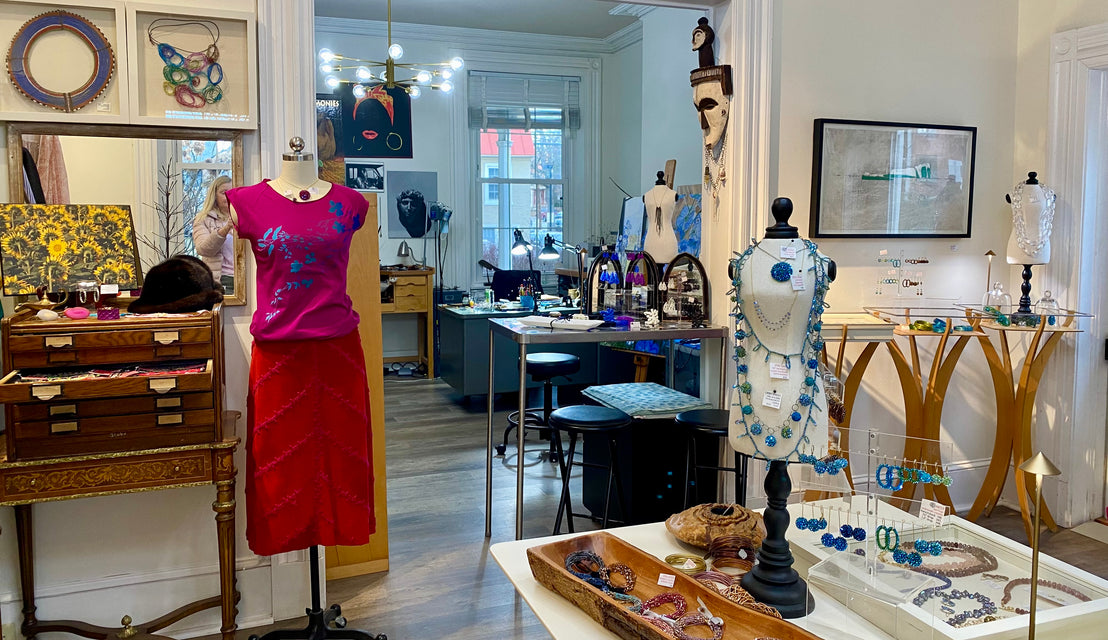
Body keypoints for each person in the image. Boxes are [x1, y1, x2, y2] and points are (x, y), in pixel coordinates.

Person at [226, 138, 374, 557]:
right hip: (278, 358)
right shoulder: (248, 202)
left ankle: (338, 528)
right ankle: (283, 534)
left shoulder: (349, 202)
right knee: (278, 460)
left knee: (341, 460)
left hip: (337, 353)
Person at [192, 175, 235, 292]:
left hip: (246, 278)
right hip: (222, 280)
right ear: (214, 196)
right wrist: (225, 229)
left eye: (232, 191)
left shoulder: (245, 217)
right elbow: (203, 249)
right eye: (224, 192)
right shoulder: (203, 219)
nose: (229, 196)